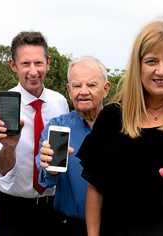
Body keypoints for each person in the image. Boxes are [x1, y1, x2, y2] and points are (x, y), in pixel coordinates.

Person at [78, 20, 163, 236]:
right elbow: (95, 188)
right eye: (151, 61)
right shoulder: (111, 117)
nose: (161, 71)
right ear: (138, 65)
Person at [0, 31, 69, 235]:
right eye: (25, 64)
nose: (33, 71)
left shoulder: (60, 102)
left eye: (38, 63)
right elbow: (1, 169)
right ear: (13, 65)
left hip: (52, 207)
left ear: (48, 62)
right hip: (10, 209)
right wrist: (9, 146)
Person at [38, 56, 110, 235]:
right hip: (67, 226)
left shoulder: (123, 126)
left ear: (106, 89)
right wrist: (50, 167)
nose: (83, 91)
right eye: (77, 86)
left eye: (91, 85)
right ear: (69, 90)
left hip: (115, 226)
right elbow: (46, 180)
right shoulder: (59, 127)